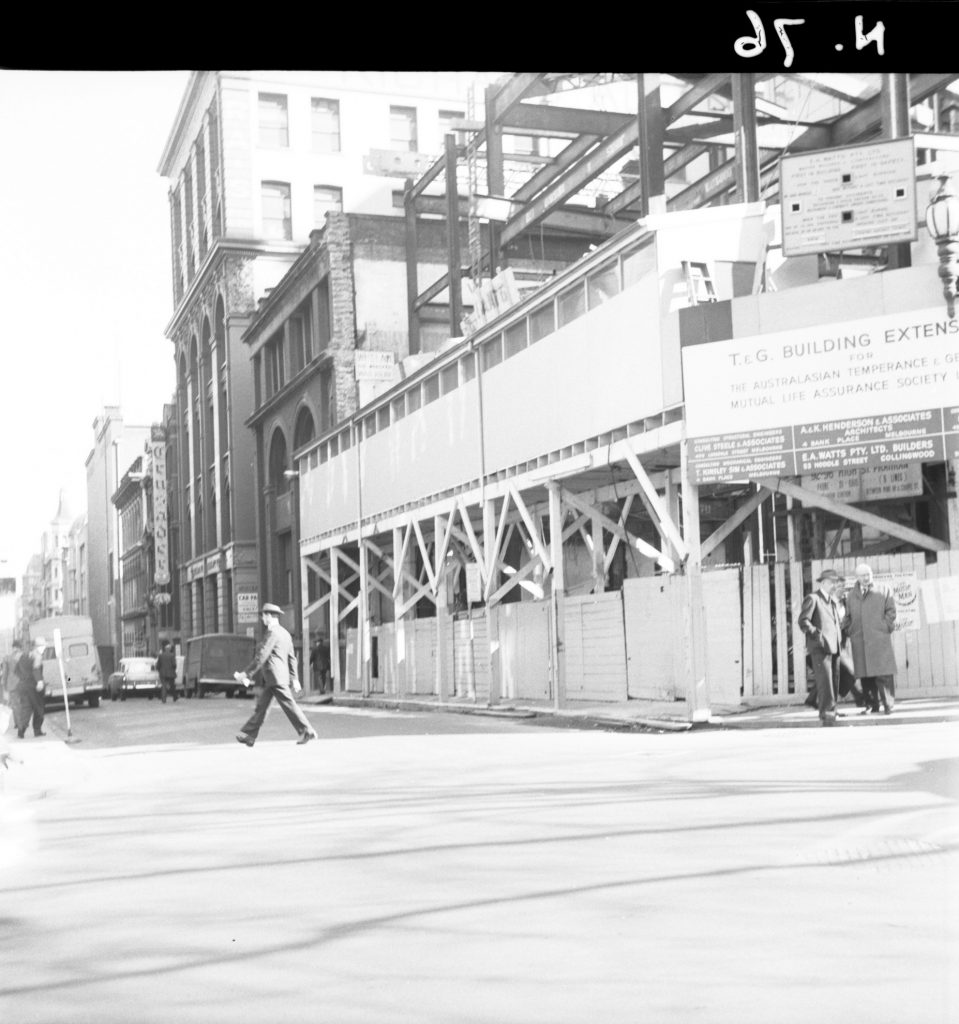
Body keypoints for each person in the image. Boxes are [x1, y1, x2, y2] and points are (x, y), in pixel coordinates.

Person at [235, 603, 318, 747]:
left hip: (275, 677)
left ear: (268, 616)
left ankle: (307, 730)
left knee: (289, 705)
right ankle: (249, 735)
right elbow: (292, 658)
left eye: (263, 616)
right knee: (262, 707)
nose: (262, 619)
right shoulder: (285, 633)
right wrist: (295, 678)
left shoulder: (272, 633)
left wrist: (246, 674)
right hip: (276, 678)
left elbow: (262, 655)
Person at [843, 563, 897, 715]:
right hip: (859, 639)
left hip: (879, 638)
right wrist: (850, 630)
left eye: (868, 574)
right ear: (857, 577)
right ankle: (871, 705)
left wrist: (885, 627)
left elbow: (891, 611)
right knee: (865, 675)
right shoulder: (851, 595)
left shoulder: (884, 589)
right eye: (862, 575)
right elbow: (847, 616)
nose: (866, 578)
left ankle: (888, 704)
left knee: (883, 673)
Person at [798, 568, 843, 726]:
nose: (834, 585)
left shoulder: (831, 600)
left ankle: (832, 709)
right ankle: (826, 713)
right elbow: (803, 621)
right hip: (821, 647)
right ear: (823, 583)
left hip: (834, 646)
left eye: (835, 583)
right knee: (825, 682)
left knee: (834, 680)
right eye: (832, 582)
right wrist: (817, 636)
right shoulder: (813, 598)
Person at [14, 636, 47, 739]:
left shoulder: (22, 656)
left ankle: (21, 730)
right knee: (39, 708)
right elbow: (36, 669)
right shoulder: (37, 656)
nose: (44, 647)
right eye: (42, 645)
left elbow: (16, 671)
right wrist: (39, 681)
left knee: (26, 709)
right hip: (34, 687)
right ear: (36, 646)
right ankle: (37, 730)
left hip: (23, 686)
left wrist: (23, 679)